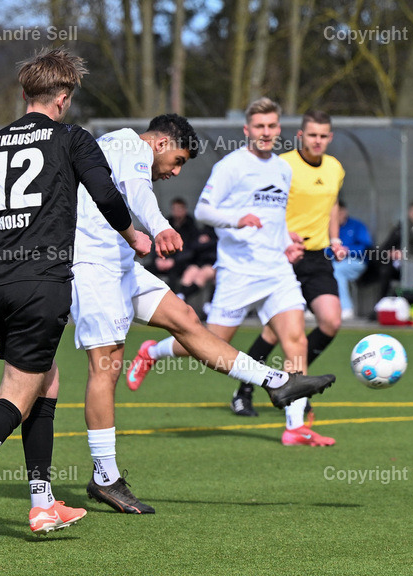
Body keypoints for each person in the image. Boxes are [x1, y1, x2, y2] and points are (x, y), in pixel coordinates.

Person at [0, 48, 149, 543]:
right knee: (16, 395)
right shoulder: (71, 138)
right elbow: (106, 196)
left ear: (25, 95)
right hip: (42, 282)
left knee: (47, 379)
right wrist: (136, 237)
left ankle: (42, 504)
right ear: (62, 98)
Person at [73, 114, 334, 514]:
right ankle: (105, 476)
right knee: (105, 367)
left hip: (122, 265)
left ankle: (276, 381)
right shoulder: (130, 144)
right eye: (177, 161)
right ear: (160, 143)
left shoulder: (120, 149)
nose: (175, 171)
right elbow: (141, 193)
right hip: (93, 268)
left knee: (188, 321)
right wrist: (160, 227)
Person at [126, 98, 335, 446]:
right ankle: (153, 351)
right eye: (259, 127)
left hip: (277, 270)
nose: (266, 133)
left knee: (296, 338)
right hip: (239, 272)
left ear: (278, 129)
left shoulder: (284, 169)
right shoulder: (231, 165)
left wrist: (287, 241)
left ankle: (294, 426)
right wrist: (237, 219)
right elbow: (204, 211)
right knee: (212, 341)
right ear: (247, 130)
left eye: (271, 126)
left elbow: (276, 218)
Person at [230, 110, 347, 448]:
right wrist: (283, 237)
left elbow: (331, 206)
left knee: (331, 321)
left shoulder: (335, 168)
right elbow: (265, 206)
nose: (318, 141)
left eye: (323, 135)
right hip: (283, 254)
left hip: (317, 257)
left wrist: (335, 239)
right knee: (273, 331)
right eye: (312, 135)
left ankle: (296, 382)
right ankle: (245, 389)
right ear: (300, 136)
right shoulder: (282, 165)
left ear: (330, 137)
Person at [375, 201, 413, 300]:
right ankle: (383, 304)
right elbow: (385, 247)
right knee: (385, 270)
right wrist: (390, 253)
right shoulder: (400, 230)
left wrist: (406, 255)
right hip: (397, 267)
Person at [333, 201, 372, 320]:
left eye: (339, 212)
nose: (337, 215)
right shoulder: (330, 227)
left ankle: (346, 308)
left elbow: (366, 247)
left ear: (345, 211)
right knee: (321, 270)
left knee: (337, 270)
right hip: (334, 261)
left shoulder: (357, 225)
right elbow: (325, 248)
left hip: (356, 262)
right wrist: (335, 251)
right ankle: (314, 309)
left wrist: (347, 250)